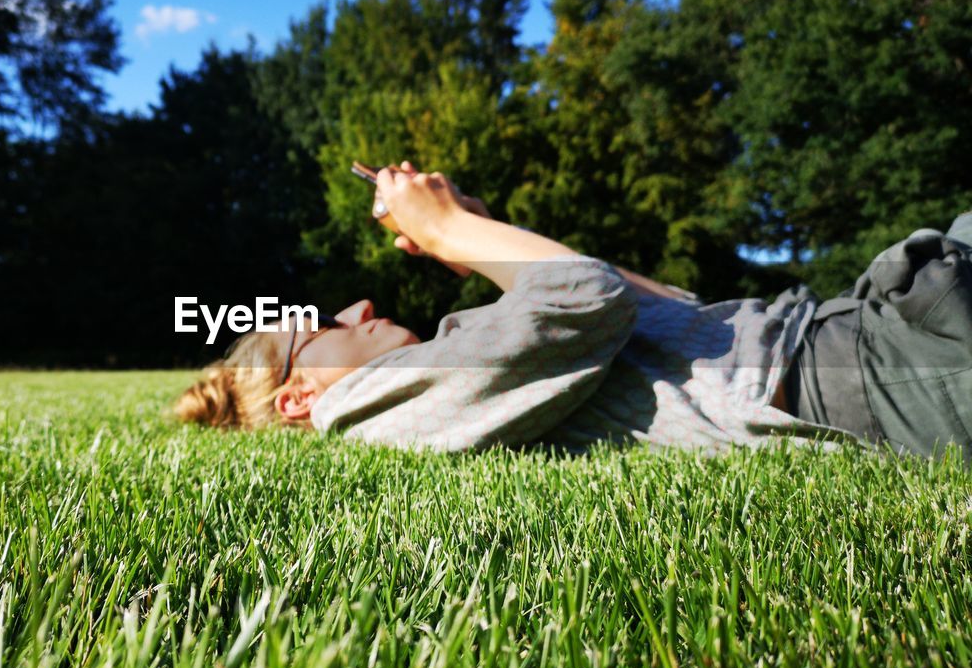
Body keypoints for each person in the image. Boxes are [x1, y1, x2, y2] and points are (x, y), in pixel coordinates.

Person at [175, 163, 972, 464]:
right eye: (322, 328)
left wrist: (473, 246)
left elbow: (671, 309)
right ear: (298, 398)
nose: (357, 306)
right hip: (867, 368)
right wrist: (450, 227)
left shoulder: (422, 382)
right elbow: (589, 301)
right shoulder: (363, 408)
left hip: (853, 337)